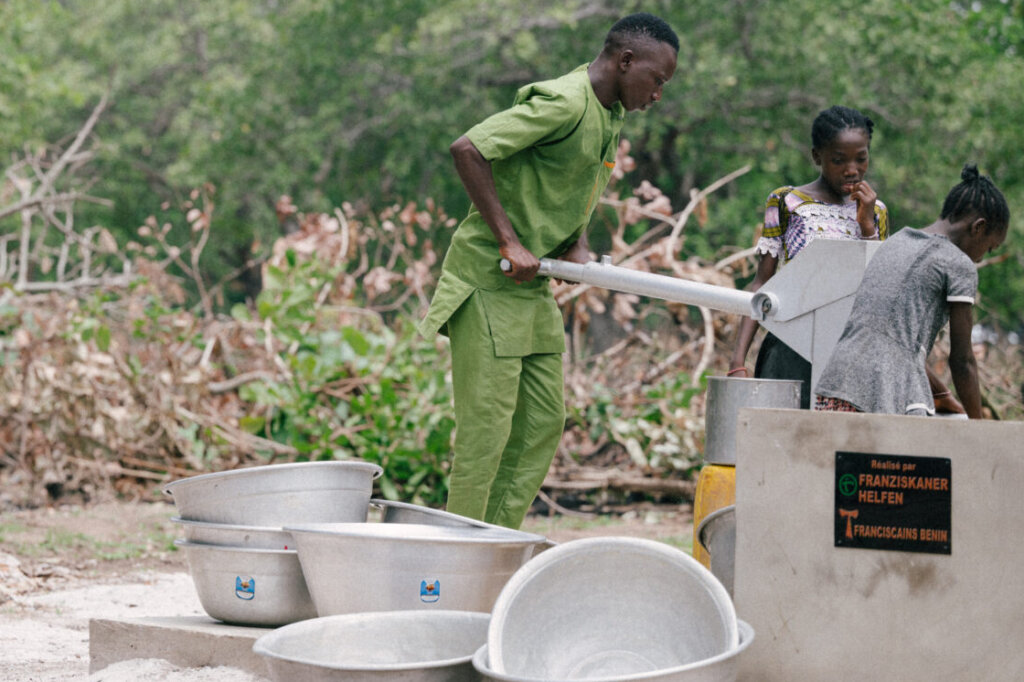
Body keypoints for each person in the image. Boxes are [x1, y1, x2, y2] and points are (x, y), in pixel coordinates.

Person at [418, 14, 679, 528]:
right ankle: (456, 554)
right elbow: (468, 149)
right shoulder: (565, 102)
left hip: (531, 287)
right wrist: (509, 240)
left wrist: (575, 243)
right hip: (489, 280)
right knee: (486, 432)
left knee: (541, 423)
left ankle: (495, 542)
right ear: (626, 61)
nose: (657, 95)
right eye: (657, 80)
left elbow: (574, 185)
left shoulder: (610, 114)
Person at [815, 164, 1009, 418]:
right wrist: (978, 426)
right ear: (978, 227)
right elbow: (962, 361)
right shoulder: (959, 264)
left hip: (836, 384)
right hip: (882, 394)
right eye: (989, 247)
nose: (982, 257)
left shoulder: (896, 241)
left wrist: (942, 394)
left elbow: (893, 341)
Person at [729, 105, 891, 408]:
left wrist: (867, 225)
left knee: (839, 437)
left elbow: (878, 288)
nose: (852, 170)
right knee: (784, 432)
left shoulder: (876, 211)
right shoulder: (787, 202)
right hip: (791, 344)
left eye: (861, 158)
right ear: (817, 157)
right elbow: (762, 284)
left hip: (848, 355)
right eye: (839, 160)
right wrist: (738, 360)